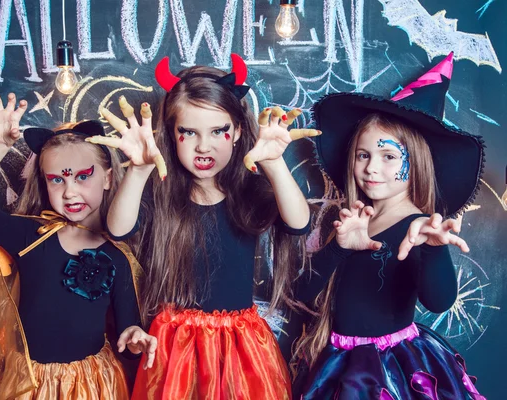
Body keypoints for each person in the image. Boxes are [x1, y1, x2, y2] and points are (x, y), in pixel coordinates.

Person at [88, 54, 320, 399]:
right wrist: (138, 170)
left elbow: (299, 224)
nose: (203, 145)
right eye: (188, 132)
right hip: (175, 343)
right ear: (171, 134)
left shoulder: (249, 190)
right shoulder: (160, 193)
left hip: (242, 345)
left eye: (218, 131)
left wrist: (274, 164)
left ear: (238, 131)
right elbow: (118, 229)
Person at [293, 53, 486, 399]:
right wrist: (338, 246)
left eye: (389, 156)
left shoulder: (420, 226)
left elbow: (439, 301)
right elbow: (300, 292)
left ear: (416, 163)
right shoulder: (354, 221)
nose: (371, 168)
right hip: (339, 364)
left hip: (392, 371)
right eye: (363, 155)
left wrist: (435, 248)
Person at [0, 93, 156, 400]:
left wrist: (134, 338)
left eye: (82, 177)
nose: (70, 192)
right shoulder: (30, 236)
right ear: (44, 182)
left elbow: (127, 337)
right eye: (57, 180)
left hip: (92, 386)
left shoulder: (116, 258)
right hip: (31, 384)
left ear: (107, 179)